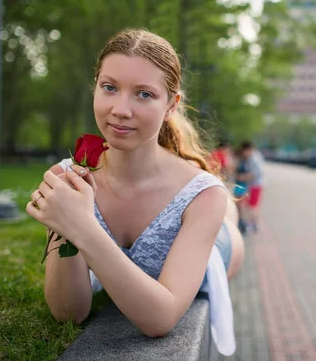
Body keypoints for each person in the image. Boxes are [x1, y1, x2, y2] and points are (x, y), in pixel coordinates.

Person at [26, 28, 244, 355]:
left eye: (143, 94)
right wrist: (63, 228)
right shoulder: (69, 178)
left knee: (224, 212)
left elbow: (161, 319)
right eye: (110, 88)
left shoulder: (202, 197)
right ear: (95, 87)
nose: (121, 110)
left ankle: (230, 212)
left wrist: (82, 226)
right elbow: (69, 313)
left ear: (171, 105)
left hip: (216, 246)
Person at [235, 141, 265, 233]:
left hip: (255, 185)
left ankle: (255, 224)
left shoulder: (254, 159)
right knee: (251, 205)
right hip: (253, 185)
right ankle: (254, 224)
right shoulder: (254, 156)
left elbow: (256, 173)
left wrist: (243, 177)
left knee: (253, 206)